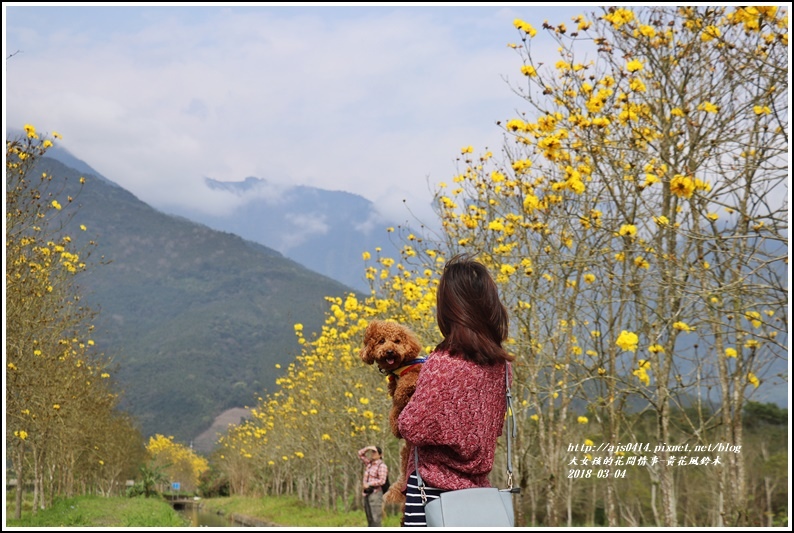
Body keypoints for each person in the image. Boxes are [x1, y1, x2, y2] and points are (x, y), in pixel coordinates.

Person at [397, 253, 514, 527]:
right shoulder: (501, 367)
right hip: (478, 492)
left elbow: (410, 426)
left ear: (450, 308)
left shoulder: (441, 363)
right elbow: (488, 429)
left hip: (433, 493)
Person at [358, 445, 388, 527]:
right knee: (369, 518)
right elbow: (360, 454)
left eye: (375, 452)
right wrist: (368, 448)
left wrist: (369, 484)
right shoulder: (369, 464)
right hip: (367, 494)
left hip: (375, 493)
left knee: (376, 519)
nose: (373, 454)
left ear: (380, 454)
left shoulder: (382, 466)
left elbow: (382, 481)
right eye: (372, 452)